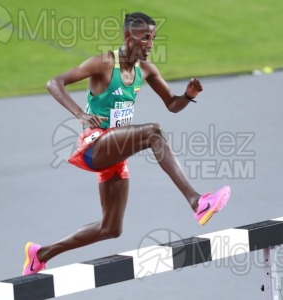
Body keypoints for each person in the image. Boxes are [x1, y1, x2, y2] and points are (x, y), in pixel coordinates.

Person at [22, 12, 230, 276]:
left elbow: (172, 105)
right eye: (145, 38)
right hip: (94, 145)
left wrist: (188, 96)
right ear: (128, 36)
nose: (150, 44)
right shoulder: (104, 63)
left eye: (153, 38)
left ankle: (40, 254)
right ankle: (197, 201)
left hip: (115, 152)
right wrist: (81, 114)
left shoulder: (146, 70)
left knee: (111, 228)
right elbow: (54, 82)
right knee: (153, 132)